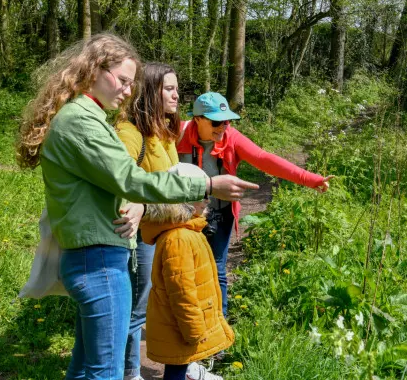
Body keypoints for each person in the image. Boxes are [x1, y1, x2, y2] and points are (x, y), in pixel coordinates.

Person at [15, 34, 257, 380]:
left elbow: (114, 181)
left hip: (94, 256)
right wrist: (205, 184)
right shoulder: (82, 122)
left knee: (86, 368)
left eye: (132, 83)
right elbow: (131, 179)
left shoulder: (86, 117)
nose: (128, 91)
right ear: (94, 70)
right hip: (98, 261)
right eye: (123, 80)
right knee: (106, 372)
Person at [177, 92, 334, 317]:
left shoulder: (230, 137)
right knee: (186, 270)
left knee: (217, 269)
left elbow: (264, 159)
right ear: (198, 119)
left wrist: (309, 179)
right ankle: (188, 322)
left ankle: (219, 327)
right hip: (184, 216)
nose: (223, 127)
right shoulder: (176, 134)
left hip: (220, 214)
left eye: (227, 121)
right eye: (216, 122)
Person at [115, 63, 182, 380]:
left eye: (177, 88)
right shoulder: (129, 134)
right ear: (151, 91)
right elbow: (118, 181)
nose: (176, 95)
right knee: (138, 307)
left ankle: (182, 365)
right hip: (143, 237)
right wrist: (139, 204)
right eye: (169, 88)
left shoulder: (166, 133)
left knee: (171, 303)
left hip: (170, 233)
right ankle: (129, 371)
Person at [142, 163, 234, 380]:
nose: (207, 201)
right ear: (182, 198)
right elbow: (181, 290)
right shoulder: (179, 238)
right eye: (202, 195)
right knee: (175, 372)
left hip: (180, 326)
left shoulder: (189, 230)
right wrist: (194, 328)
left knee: (179, 369)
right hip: (180, 327)